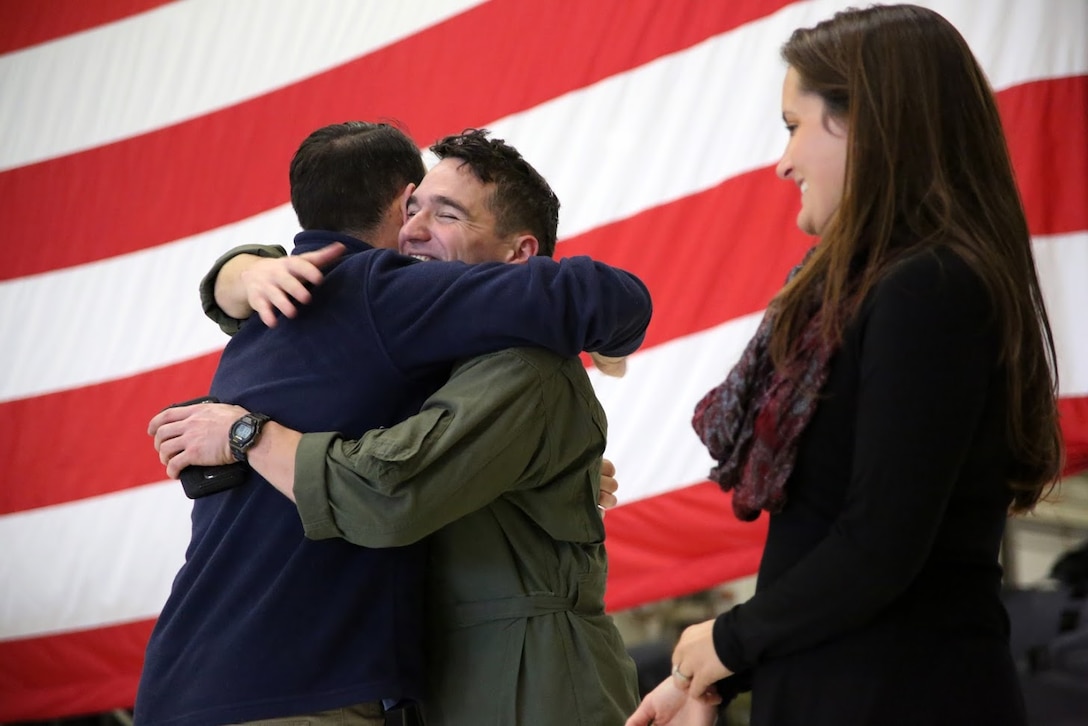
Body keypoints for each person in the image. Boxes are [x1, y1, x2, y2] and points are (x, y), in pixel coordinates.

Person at [627, 5, 1064, 726]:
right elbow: (829, 548)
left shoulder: (929, 287)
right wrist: (708, 677)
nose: (784, 160)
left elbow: (879, 547)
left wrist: (727, 643)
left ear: (867, 126)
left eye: (793, 126)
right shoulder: (885, 288)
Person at [136, 123, 650, 726]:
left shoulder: (375, 310)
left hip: (511, 684)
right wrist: (238, 278)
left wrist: (247, 423)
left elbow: (392, 493)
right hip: (290, 687)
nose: (413, 231)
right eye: (412, 208)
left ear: (519, 259)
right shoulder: (374, 312)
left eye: (445, 213)